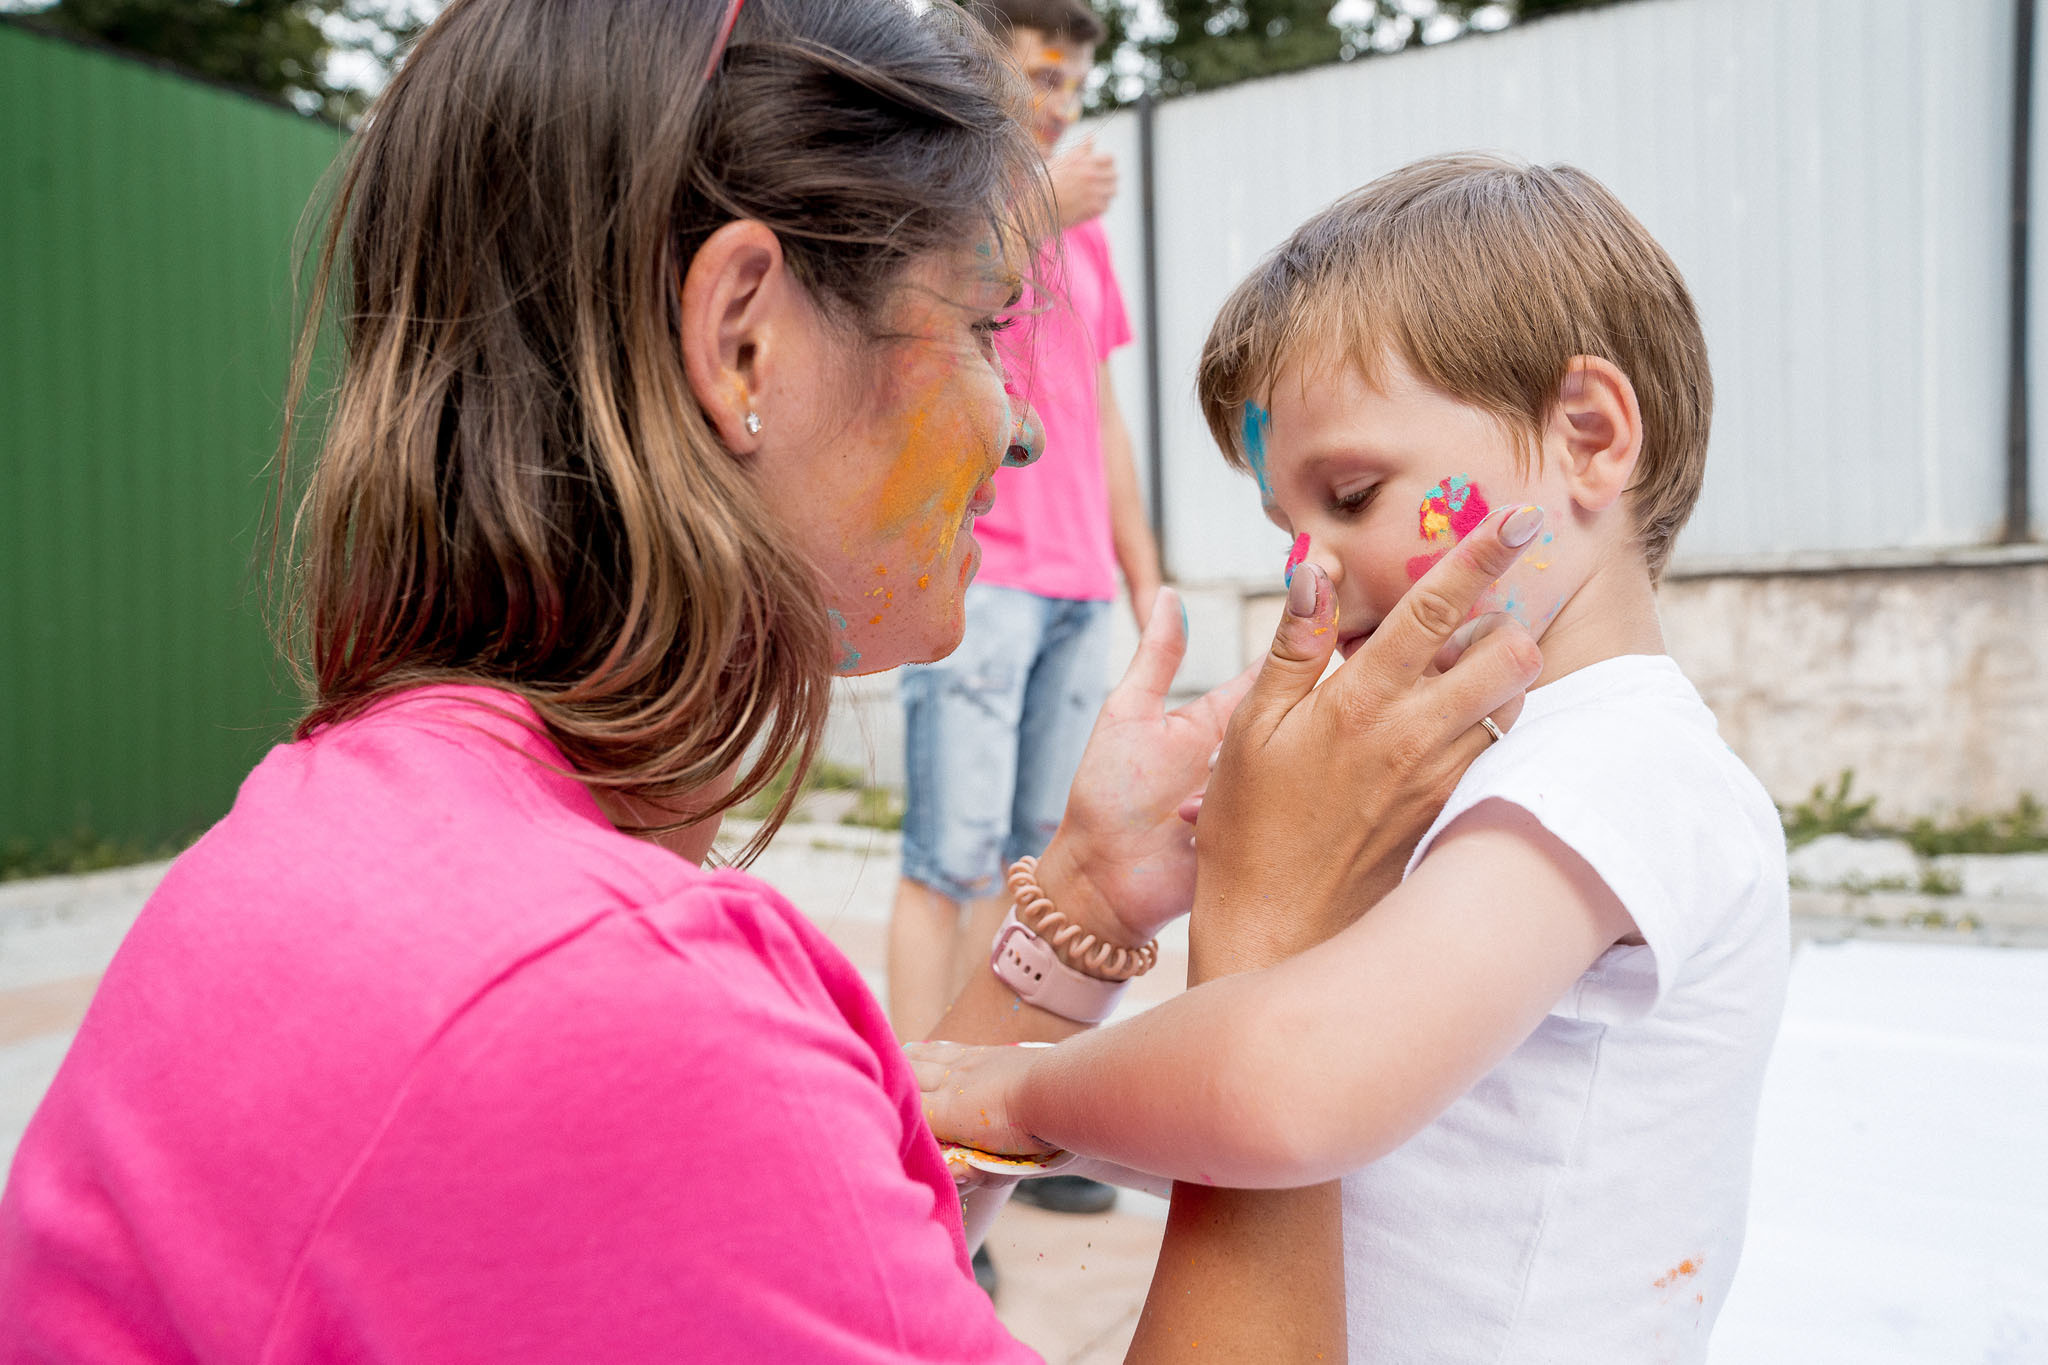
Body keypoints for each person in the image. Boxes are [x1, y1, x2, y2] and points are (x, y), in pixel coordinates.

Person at [0, 2, 1541, 1356]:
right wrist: (1279, 939)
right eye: (989, 326)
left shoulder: (374, 817)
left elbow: (816, 1254)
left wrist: (1088, 885)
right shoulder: (596, 1015)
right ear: (743, 340)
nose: (1018, 426)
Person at [912, 155, 1792, 1365]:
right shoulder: (1483, 766)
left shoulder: (1610, 777)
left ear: (1587, 436)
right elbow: (1247, 1131)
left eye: (1355, 494)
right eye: (1287, 525)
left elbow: (1283, 1091)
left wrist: (1007, 1096)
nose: (1305, 574)